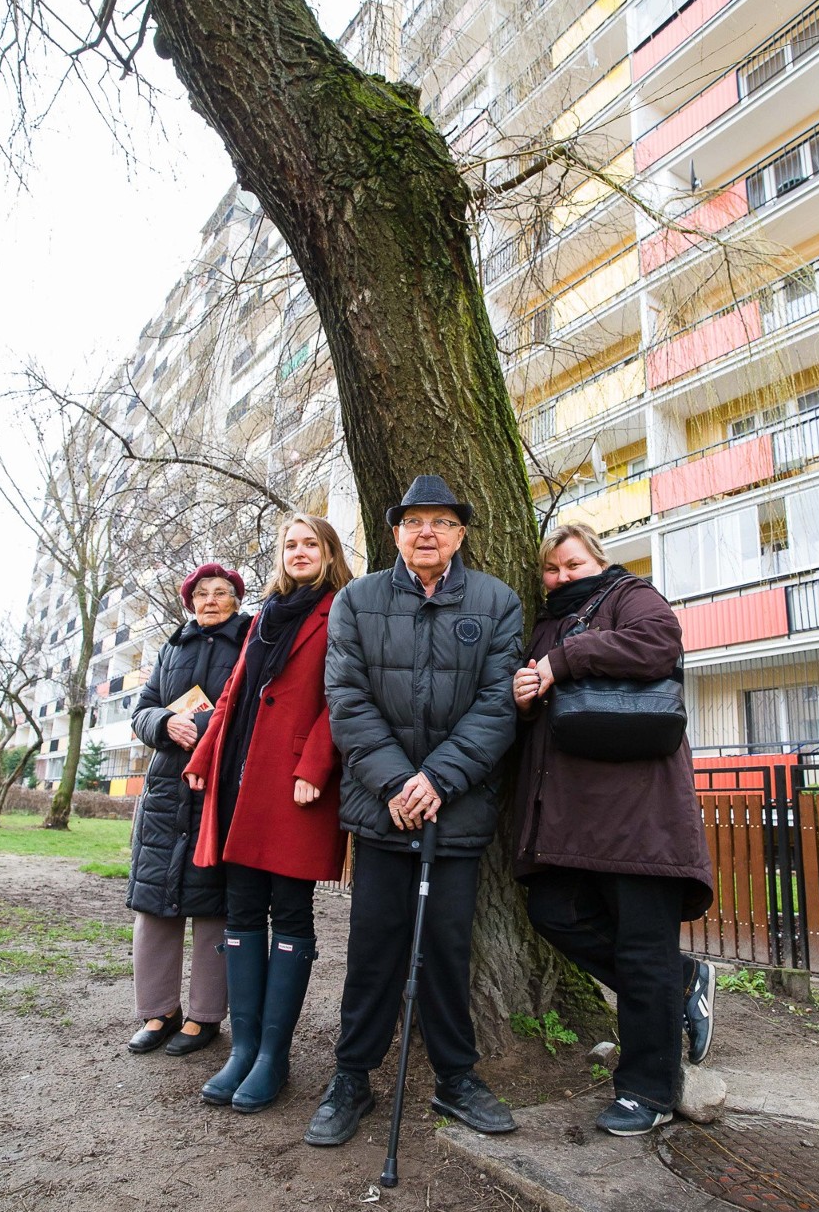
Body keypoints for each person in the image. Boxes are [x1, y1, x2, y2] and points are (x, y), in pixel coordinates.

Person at [305, 475, 523, 1147]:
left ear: (460, 534)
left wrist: (439, 780)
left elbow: (498, 704)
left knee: (446, 951)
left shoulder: (497, 602)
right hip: (382, 811)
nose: (426, 531)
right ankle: (351, 1078)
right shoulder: (358, 601)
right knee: (373, 950)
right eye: (413, 521)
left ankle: (457, 1079)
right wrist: (399, 783)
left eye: (442, 521)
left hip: (454, 815)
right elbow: (346, 699)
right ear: (395, 533)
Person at [511, 523, 715, 1137]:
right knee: (553, 911)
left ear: (598, 561)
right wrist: (526, 695)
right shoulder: (545, 627)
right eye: (552, 569)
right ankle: (683, 981)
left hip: (640, 811)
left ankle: (648, 1091)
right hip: (571, 817)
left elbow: (658, 643)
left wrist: (562, 661)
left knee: (641, 946)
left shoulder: (630, 595)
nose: (563, 576)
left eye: (573, 563)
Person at [185, 514, 352, 1113]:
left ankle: (273, 1057)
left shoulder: (342, 612)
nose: (299, 551)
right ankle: (244, 1048)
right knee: (243, 907)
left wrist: (315, 764)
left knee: (290, 909)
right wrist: (204, 752)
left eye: (311, 543)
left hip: (294, 785)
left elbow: (347, 695)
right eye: (290, 544)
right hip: (240, 781)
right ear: (280, 556)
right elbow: (232, 694)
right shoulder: (262, 619)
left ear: (329, 554)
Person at [126, 563, 251, 1055]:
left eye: (222, 593)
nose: (211, 600)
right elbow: (142, 709)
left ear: (236, 601)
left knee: (212, 902)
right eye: (202, 593)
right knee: (154, 901)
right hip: (165, 788)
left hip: (219, 786)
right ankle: (158, 1012)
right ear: (190, 601)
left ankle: (203, 1016)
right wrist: (163, 723)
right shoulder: (171, 647)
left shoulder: (249, 642)